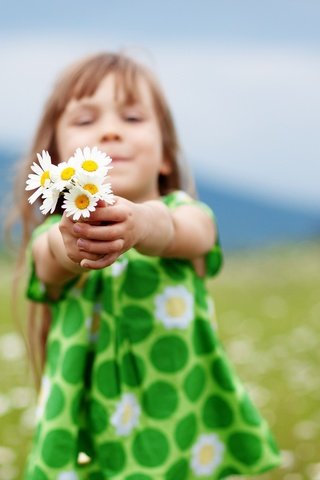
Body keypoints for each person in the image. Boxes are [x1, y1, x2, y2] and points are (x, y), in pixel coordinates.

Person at [14, 52, 281, 479]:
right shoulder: (53, 234)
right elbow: (51, 261)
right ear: (59, 161)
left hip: (177, 422)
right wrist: (76, 239)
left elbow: (188, 233)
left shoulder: (185, 214)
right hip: (88, 432)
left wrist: (144, 223)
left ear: (166, 159)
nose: (109, 131)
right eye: (85, 122)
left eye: (133, 118)